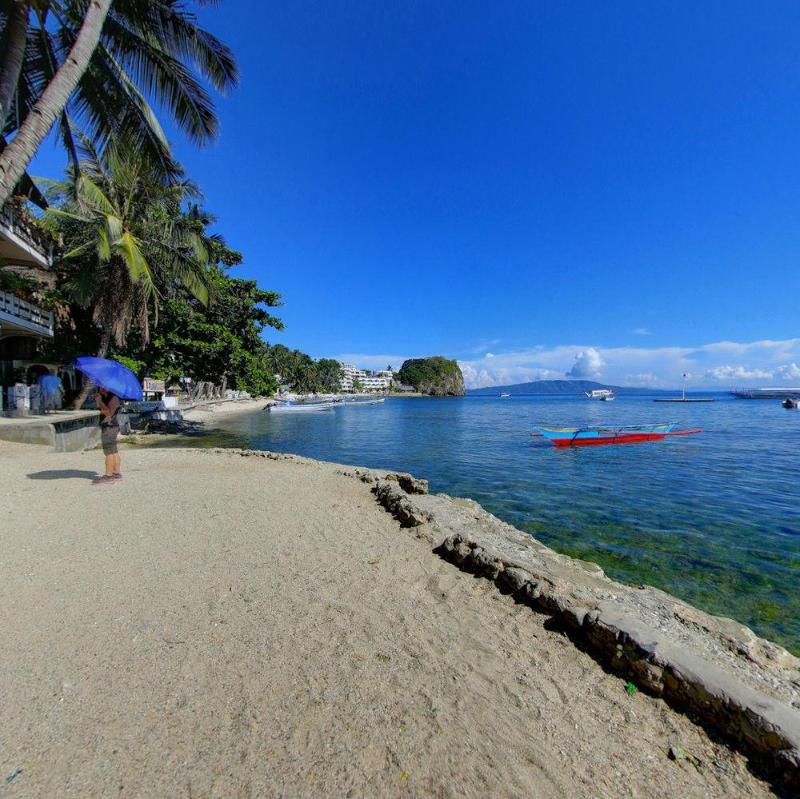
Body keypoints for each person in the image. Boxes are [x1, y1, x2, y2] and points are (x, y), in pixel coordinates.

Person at [93, 389, 122, 484]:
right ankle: (116, 474)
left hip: (110, 428)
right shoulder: (109, 396)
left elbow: (108, 413)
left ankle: (108, 476)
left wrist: (99, 401)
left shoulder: (113, 398)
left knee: (109, 452)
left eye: (103, 385)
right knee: (113, 450)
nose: (101, 387)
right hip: (112, 427)